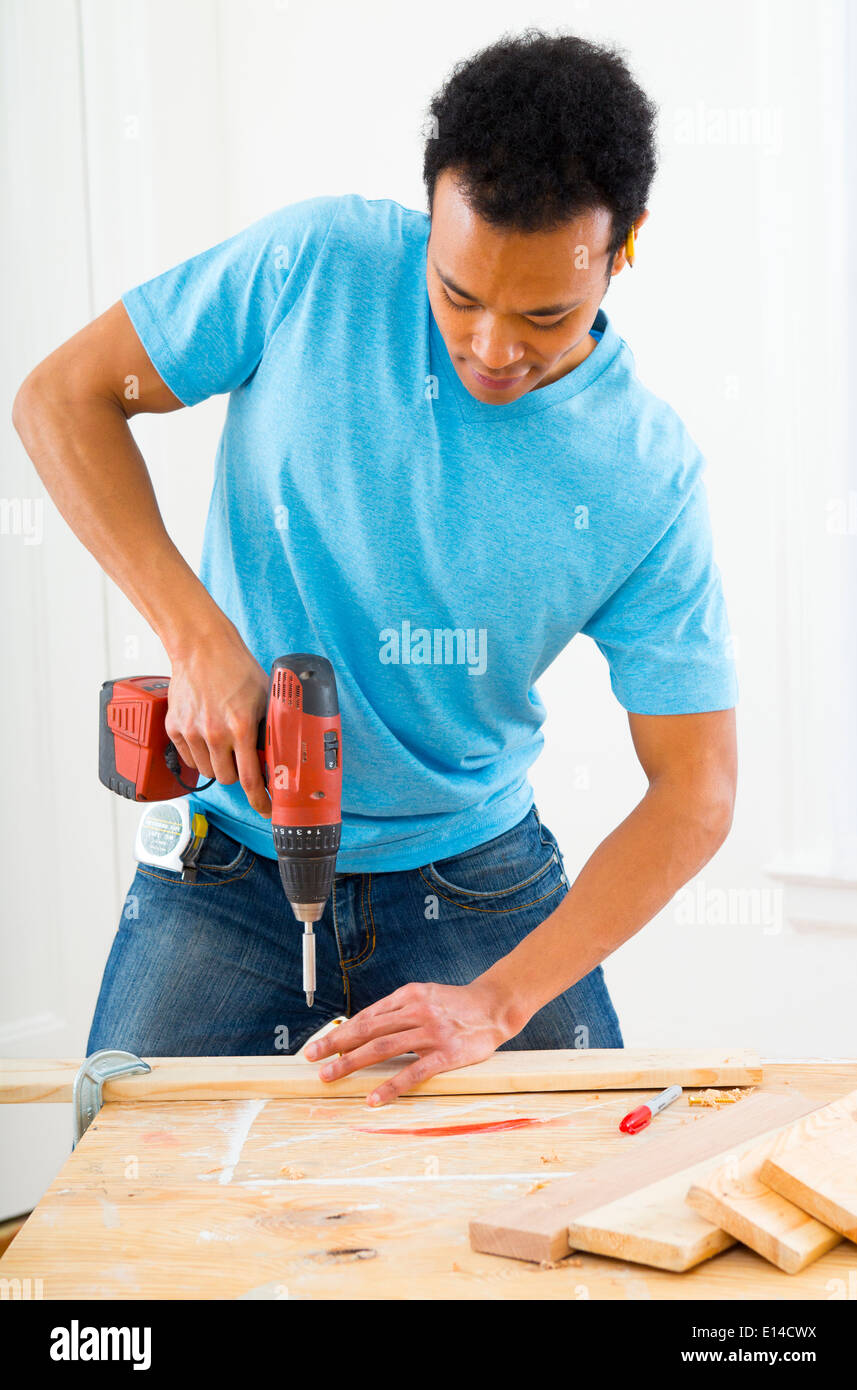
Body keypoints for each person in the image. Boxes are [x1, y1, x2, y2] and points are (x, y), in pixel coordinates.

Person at [13, 32, 737, 1106]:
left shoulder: (643, 472)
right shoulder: (315, 265)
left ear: (619, 251)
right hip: (224, 868)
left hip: (476, 880)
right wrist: (197, 635)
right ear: (430, 213)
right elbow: (61, 398)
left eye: (542, 314)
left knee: (574, 1202)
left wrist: (498, 1000)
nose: (491, 347)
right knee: (114, 1219)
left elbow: (696, 791)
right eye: (456, 294)